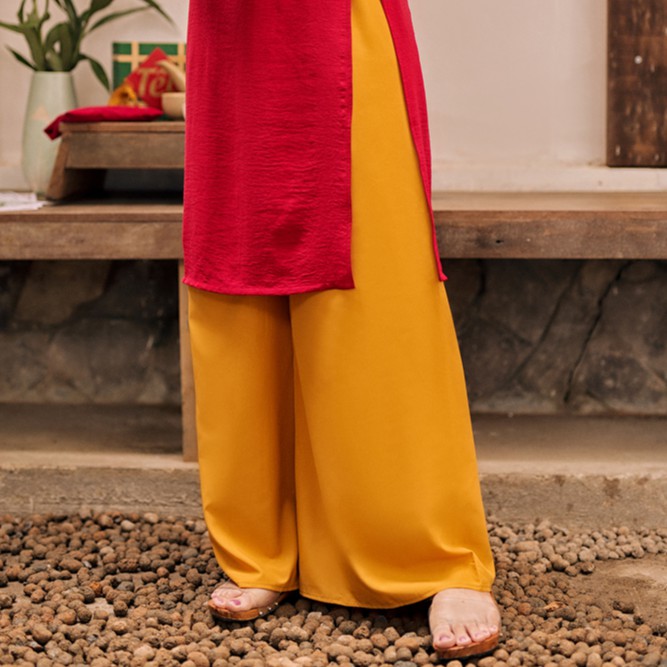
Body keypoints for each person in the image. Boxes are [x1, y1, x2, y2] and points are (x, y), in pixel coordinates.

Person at [183, 0, 501, 659]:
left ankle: (434, 555)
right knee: (239, 258)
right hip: (232, 30)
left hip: (338, 22)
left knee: (374, 278)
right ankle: (264, 543)